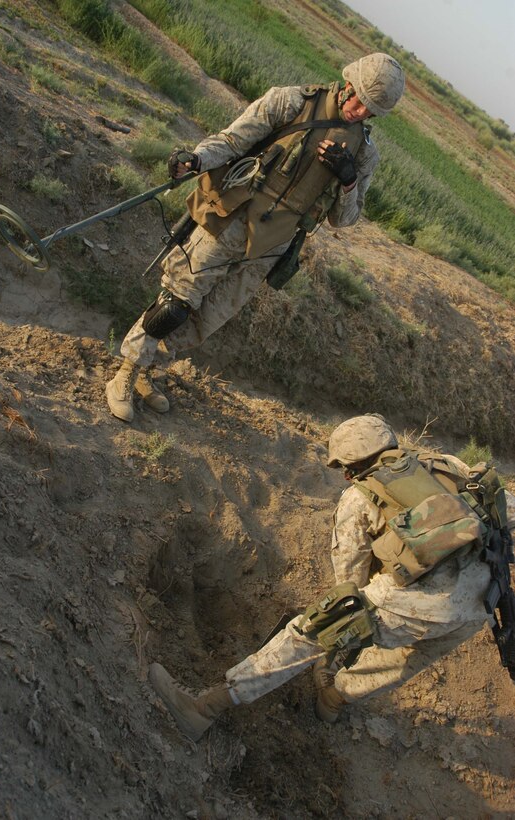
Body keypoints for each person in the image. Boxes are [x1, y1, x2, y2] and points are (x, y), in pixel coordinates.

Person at [149, 414, 515, 742]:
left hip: (419, 603)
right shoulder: (447, 464)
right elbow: (505, 510)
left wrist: (341, 633)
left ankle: (203, 708)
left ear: (351, 467)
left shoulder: (358, 498)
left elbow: (349, 582)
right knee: (407, 661)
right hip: (484, 602)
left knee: (310, 633)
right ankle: (334, 700)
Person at [106, 53, 405, 421]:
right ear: (347, 85)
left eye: (370, 109)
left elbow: (344, 220)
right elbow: (233, 140)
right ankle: (126, 374)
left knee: (206, 323)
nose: (360, 111)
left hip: (270, 246)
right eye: (358, 99)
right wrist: (196, 159)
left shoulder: (363, 154)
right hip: (230, 219)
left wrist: (347, 179)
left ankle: (147, 370)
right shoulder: (291, 102)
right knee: (176, 303)